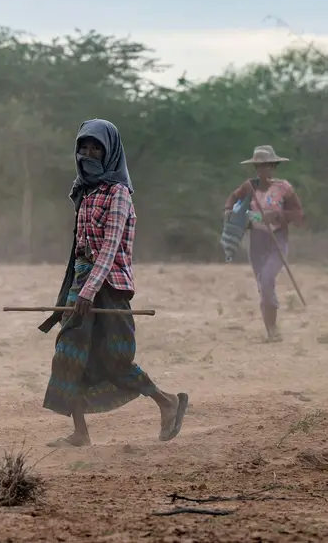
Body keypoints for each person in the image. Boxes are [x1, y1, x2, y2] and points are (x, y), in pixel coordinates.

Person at [41, 118, 189, 448]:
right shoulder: (83, 190)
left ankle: (167, 402)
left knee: (115, 358)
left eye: (97, 148)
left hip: (109, 286)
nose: (89, 153)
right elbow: (79, 246)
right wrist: (75, 290)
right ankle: (80, 433)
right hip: (82, 284)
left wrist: (90, 290)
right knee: (69, 352)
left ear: (110, 153)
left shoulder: (118, 193)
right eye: (84, 147)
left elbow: (110, 247)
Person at [222, 145, 304, 342]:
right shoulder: (249, 186)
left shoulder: (283, 188)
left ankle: (273, 328)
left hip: (278, 240)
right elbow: (232, 199)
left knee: (267, 280)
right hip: (257, 241)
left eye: (267, 166)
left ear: (274, 166)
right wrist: (230, 213)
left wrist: (277, 215)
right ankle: (271, 330)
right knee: (262, 285)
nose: (262, 170)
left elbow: (299, 215)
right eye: (259, 167)